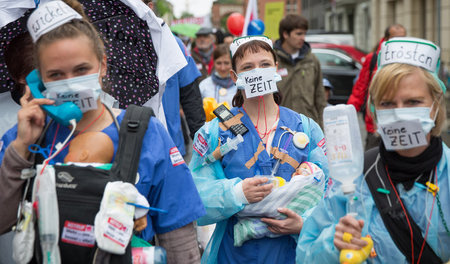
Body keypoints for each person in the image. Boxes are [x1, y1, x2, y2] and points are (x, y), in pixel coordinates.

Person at [0, 1, 205, 263]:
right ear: (38, 80)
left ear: (103, 65)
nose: (70, 81)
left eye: (81, 69)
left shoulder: (146, 133)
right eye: (56, 74)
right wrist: (20, 149)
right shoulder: (23, 139)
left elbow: (180, 241)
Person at [296, 37, 450, 263]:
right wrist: (333, 244)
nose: (399, 113)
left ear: (435, 105)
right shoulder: (354, 177)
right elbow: (305, 256)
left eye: (413, 102)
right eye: (387, 104)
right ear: (373, 110)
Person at [189, 35, 328, 264]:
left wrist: (305, 223)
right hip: (234, 255)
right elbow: (194, 196)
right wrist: (235, 193)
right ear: (235, 77)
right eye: (247, 67)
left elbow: (330, 192)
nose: (257, 72)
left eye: (264, 65)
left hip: (292, 253)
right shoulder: (213, 133)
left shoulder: (306, 128)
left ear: (276, 68)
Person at [347, 24, 406, 150]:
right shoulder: (373, 58)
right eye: (396, 38)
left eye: (403, 38)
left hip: (400, 121)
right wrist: (349, 113)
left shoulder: (408, 60)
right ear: (386, 39)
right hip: (375, 123)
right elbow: (360, 88)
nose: (400, 42)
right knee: (372, 159)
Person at [274, 14, 327, 127]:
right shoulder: (271, 60)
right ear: (285, 34)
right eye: (298, 34)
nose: (303, 38)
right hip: (280, 125)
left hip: (308, 125)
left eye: (304, 33)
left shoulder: (312, 60)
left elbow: (320, 97)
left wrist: (322, 127)